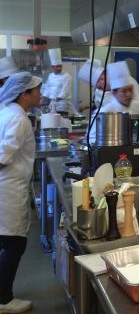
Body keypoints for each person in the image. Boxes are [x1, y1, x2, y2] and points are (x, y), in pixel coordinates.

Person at [0, 72, 42, 314]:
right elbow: (3, 157)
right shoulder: (18, 119)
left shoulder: (8, 112)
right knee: (14, 243)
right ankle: (4, 299)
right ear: (24, 94)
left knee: (4, 241)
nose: (40, 94)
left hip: (6, 186)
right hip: (9, 189)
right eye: (37, 90)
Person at [87, 61, 139, 144]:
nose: (129, 94)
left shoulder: (135, 107)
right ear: (114, 92)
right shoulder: (104, 113)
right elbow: (91, 140)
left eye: (130, 90)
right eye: (124, 91)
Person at [41, 48, 74, 114]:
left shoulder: (66, 76)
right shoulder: (50, 76)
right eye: (56, 66)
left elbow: (65, 91)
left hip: (62, 105)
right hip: (52, 103)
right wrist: (42, 99)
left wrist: (55, 100)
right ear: (52, 67)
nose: (59, 68)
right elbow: (47, 88)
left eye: (60, 66)